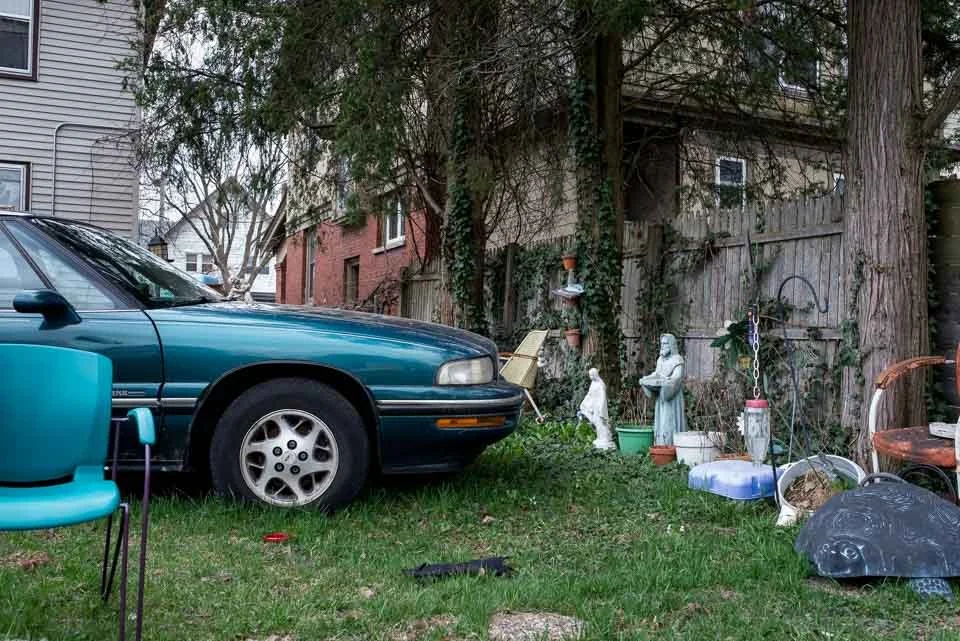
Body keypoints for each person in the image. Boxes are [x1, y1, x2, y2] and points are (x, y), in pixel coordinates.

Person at [640, 333, 687, 446]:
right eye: (661, 344)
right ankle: (661, 445)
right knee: (661, 421)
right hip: (661, 396)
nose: (663, 346)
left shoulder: (678, 360)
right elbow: (656, 373)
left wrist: (666, 380)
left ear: (671, 345)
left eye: (665, 343)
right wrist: (646, 379)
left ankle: (671, 445)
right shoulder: (660, 359)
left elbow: (677, 377)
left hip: (672, 396)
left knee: (669, 420)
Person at [579, 367, 615, 450]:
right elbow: (590, 394)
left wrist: (601, 408)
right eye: (590, 375)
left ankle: (605, 438)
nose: (591, 377)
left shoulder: (600, 384)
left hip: (599, 407)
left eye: (592, 375)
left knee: (601, 422)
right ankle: (600, 438)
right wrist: (584, 403)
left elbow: (602, 397)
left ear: (596, 375)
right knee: (597, 423)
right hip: (594, 406)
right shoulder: (593, 383)